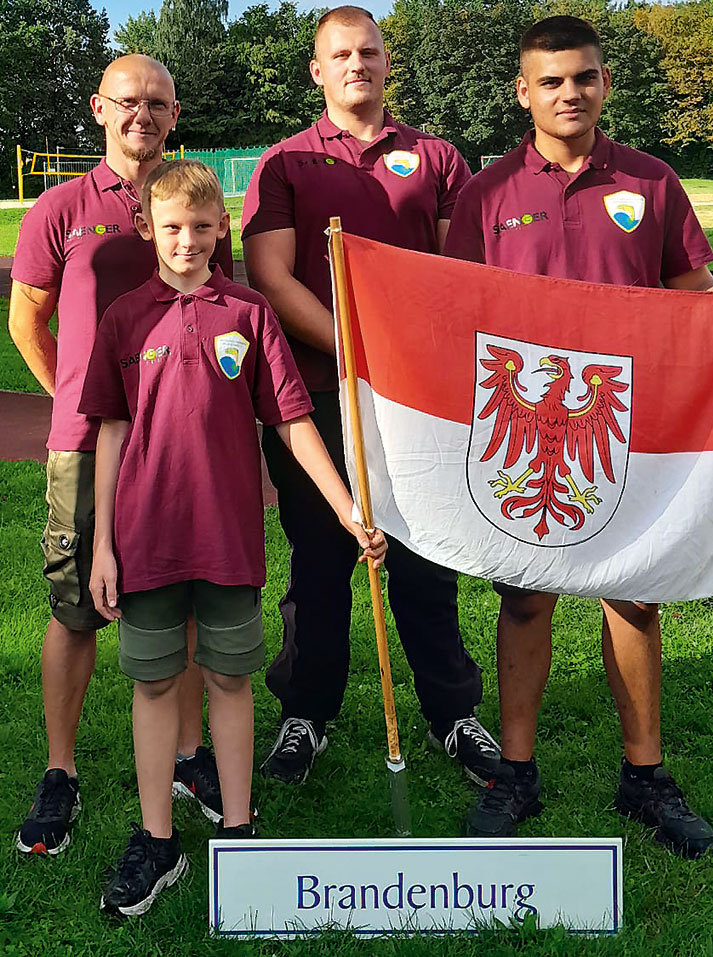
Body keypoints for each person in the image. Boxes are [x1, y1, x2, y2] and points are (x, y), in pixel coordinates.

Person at [444, 15, 713, 857]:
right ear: (522, 92)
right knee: (525, 591)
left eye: (585, 77)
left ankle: (645, 775)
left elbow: (691, 285)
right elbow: (454, 306)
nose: (571, 93)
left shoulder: (651, 180)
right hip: (523, 424)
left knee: (633, 593)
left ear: (606, 83)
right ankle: (515, 772)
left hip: (631, 420)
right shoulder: (486, 194)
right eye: (552, 81)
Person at [79, 160, 387, 917]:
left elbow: (290, 418)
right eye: (173, 227)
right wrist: (103, 547)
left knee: (229, 678)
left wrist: (347, 507)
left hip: (227, 540)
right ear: (147, 229)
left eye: (203, 227)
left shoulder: (249, 314)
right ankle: (158, 841)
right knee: (154, 682)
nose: (188, 240)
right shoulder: (125, 319)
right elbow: (111, 430)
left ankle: (242, 830)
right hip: (146, 540)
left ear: (225, 231)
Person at [241, 5, 501, 786]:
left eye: (370, 51)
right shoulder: (284, 162)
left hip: (420, 399)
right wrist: (358, 351)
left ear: (390, 64)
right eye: (340, 54)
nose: (357, 63)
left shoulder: (438, 158)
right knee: (320, 560)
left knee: (426, 559)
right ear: (317, 71)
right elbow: (271, 277)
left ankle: (451, 711)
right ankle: (305, 714)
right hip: (317, 395)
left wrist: (405, 358)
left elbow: (466, 275)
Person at [9, 55, 236, 856]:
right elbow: (26, 322)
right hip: (86, 443)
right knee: (75, 609)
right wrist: (79, 393)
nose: (143, 113)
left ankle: (184, 757)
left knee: (175, 602)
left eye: (159, 103)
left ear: (175, 114)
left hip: (184, 449)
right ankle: (61, 771)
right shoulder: (60, 207)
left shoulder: (198, 204)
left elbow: (224, 314)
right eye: (128, 101)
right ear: (101, 108)